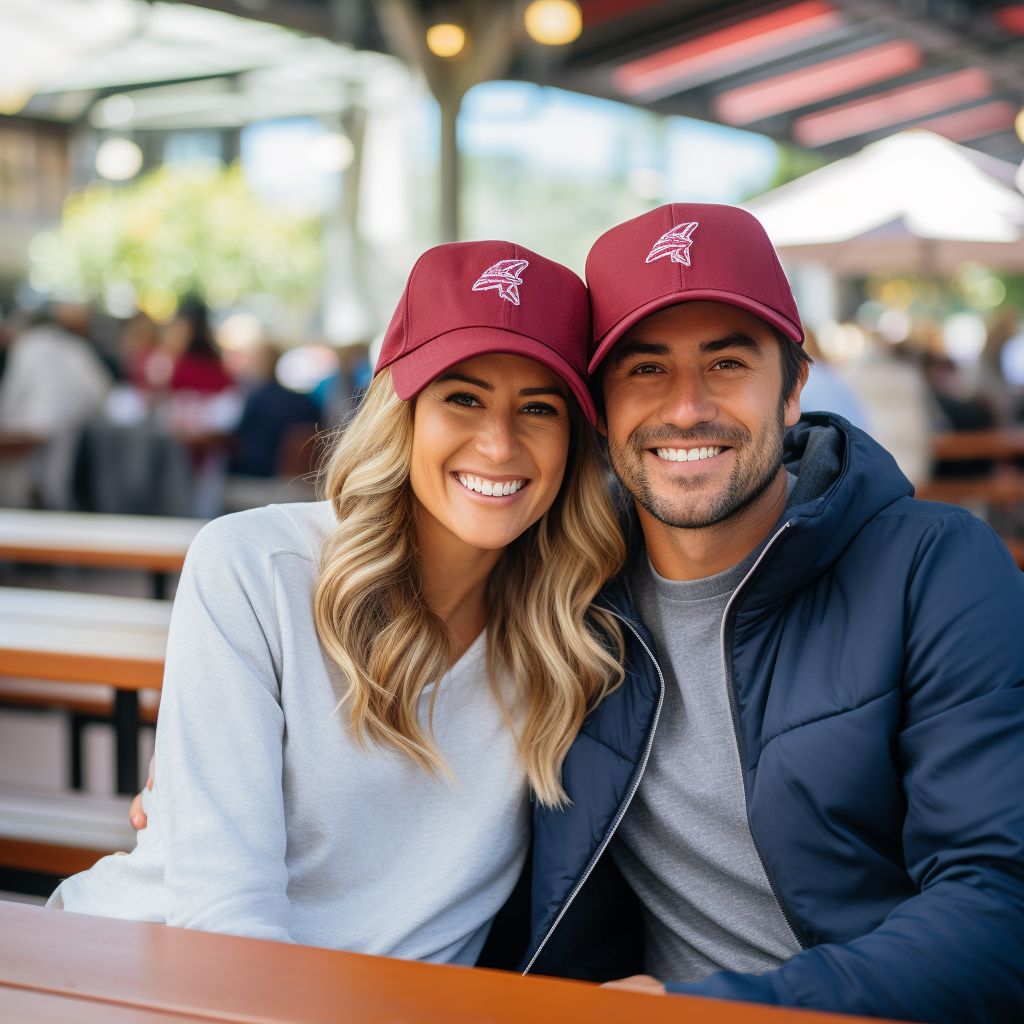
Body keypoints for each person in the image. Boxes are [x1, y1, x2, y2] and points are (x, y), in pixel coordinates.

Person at [48, 241, 628, 969]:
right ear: (402, 412)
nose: (499, 441)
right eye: (463, 397)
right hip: (145, 975)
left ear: (576, 443)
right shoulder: (255, 568)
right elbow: (222, 920)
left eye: (538, 407)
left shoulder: (581, 628)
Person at [515, 205, 1024, 1022]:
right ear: (599, 408)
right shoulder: (562, 589)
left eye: (726, 363)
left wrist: (699, 1007)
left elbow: (1001, 907)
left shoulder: (937, 567)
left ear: (792, 390)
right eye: (645, 369)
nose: (685, 409)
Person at [0, 302, 112, 508]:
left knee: (30, 481)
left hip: (41, 424)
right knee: (58, 481)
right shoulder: (73, 344)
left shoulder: (27, 345)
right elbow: (102, 389)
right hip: (77, 423)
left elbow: (13, 391)